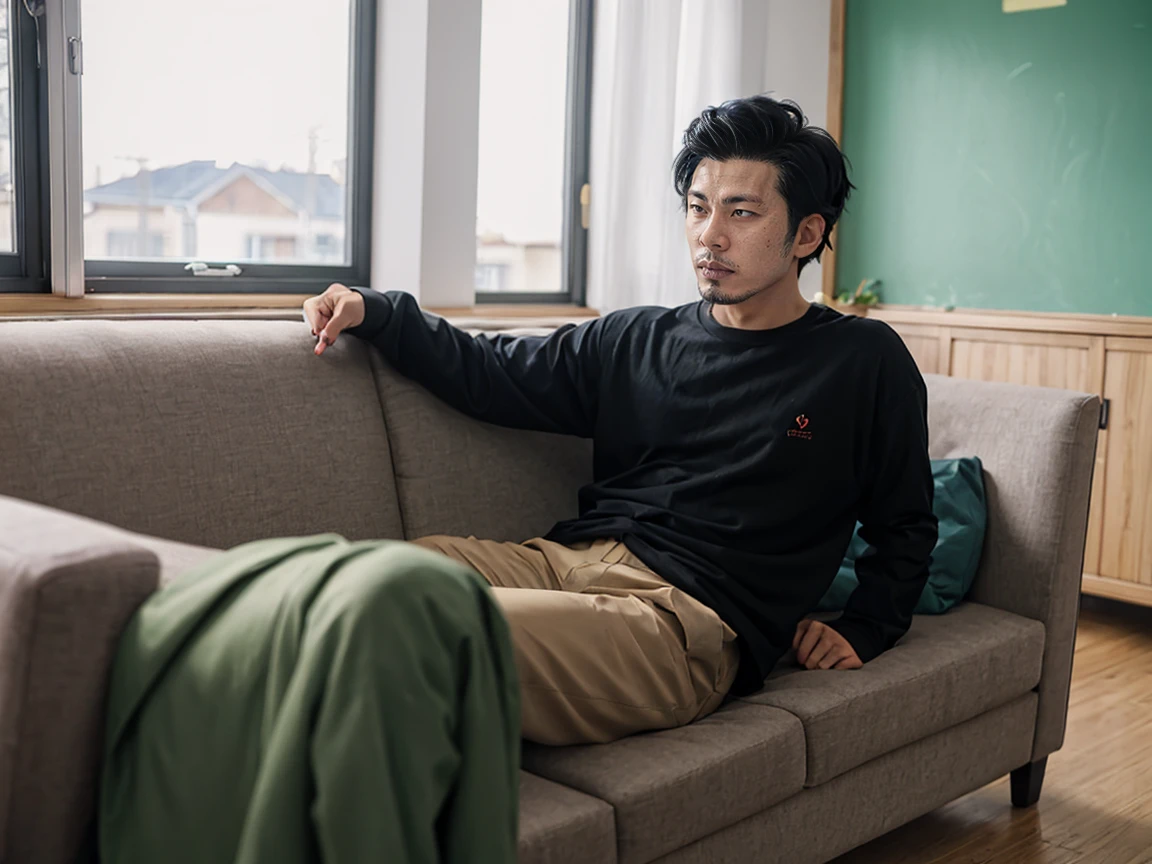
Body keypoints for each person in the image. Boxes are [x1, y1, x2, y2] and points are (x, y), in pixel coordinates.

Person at [302, 95, 938, 748]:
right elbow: (490, 372)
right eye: (697, 207)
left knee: (422, 623)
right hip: (560, 565)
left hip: (678, 622)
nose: (709, 235)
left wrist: (866, 624)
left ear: (806, 234)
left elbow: (906, 521)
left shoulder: (861, 362)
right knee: (352, 581)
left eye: (741, 212)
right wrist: (374, 309)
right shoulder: (636, 338)